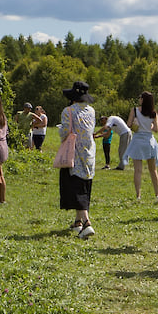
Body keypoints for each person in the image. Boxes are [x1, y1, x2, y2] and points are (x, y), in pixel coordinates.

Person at [58, 80, 97, 239]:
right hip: (89, 152)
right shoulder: (91, 111)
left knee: (75, 188)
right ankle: (77, 222)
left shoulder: (68, 111)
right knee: (85, 186)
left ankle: (86, 223)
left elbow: (65, 132)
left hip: (73, 153)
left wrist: (61, 130)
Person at [126, 92, 158, 201]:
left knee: (137, 170)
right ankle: (157, 194)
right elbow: (156, 129)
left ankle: (138, 195)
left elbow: (128, 125)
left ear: (142, 99)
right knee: (153, 170)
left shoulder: (135, 110)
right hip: (149, 141)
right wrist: (150, 126)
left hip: (137, 140)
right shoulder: (153, 113)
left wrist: (135, 124)